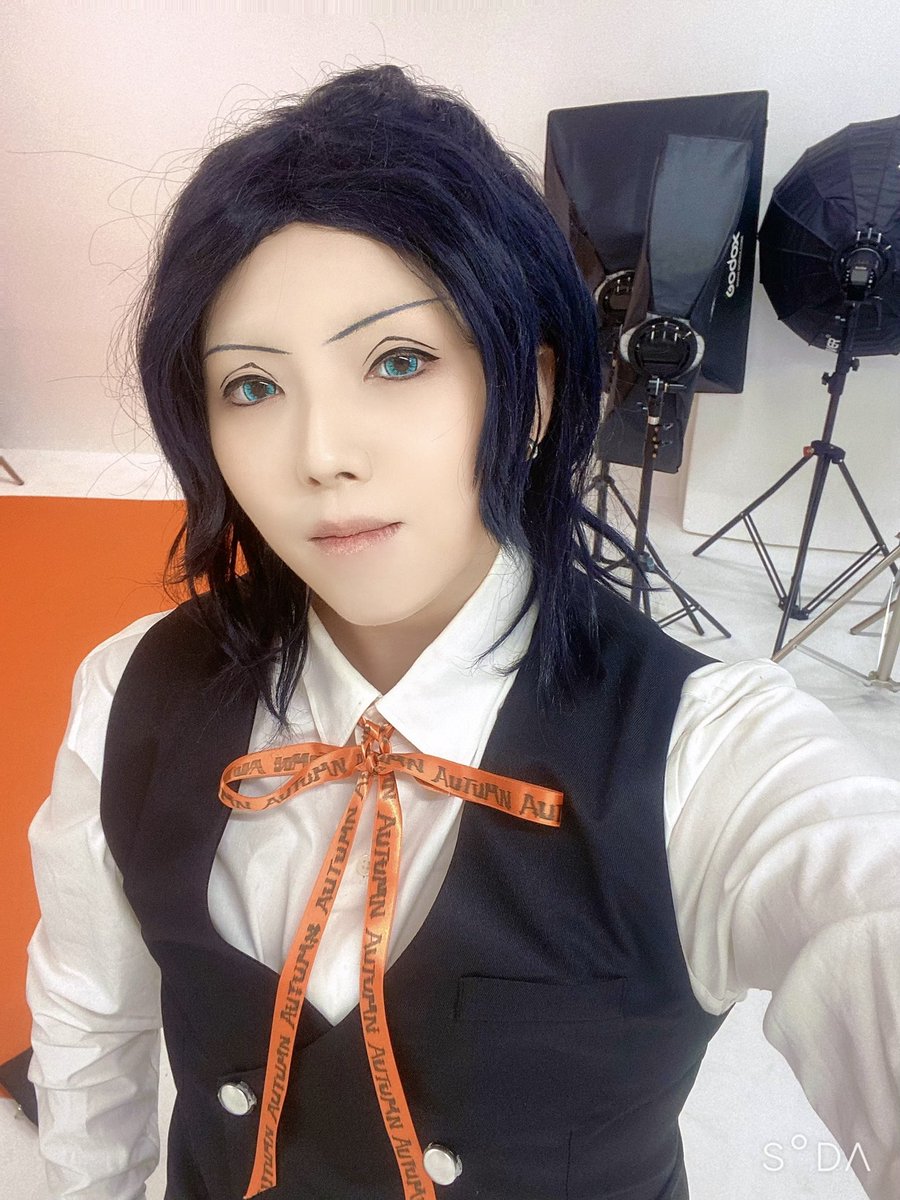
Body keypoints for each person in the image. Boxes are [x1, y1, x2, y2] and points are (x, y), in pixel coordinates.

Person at [25, 63, 900, 1200]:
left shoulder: (705, 757)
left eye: (399, 361)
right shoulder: (128, 694)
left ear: (533, 394)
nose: (320, 455)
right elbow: (90, 1024)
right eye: (251, 387)